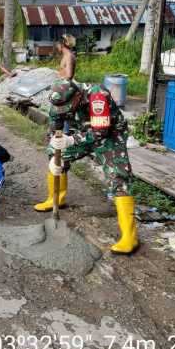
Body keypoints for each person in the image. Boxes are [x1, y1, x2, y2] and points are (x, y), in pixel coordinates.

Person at [34, 79, 138, 254]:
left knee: (119, 176)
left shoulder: (97, 96)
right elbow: (54, 125)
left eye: (67, 107)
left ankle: (130, 237)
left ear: (76, 97)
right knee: (54, 151)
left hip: (110, 136)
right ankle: (56, 198)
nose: (63, 111)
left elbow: (100, 132)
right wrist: (54, 153)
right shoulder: (58, 99)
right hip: (82, 132)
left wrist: (70, 140)